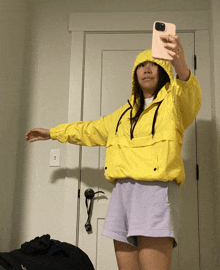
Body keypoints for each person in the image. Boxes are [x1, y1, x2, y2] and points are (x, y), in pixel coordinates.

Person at [26, 34, 202, 270]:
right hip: (122, 194)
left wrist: (178, 62)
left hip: (156, 193)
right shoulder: (121, 115)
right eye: (141, 65)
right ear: (134, 74)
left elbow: (190, 94)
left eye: (153, 64)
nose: (147, 69)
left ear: (163, 70)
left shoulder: (175, 105)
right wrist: (53, 132)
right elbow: (89, 130)